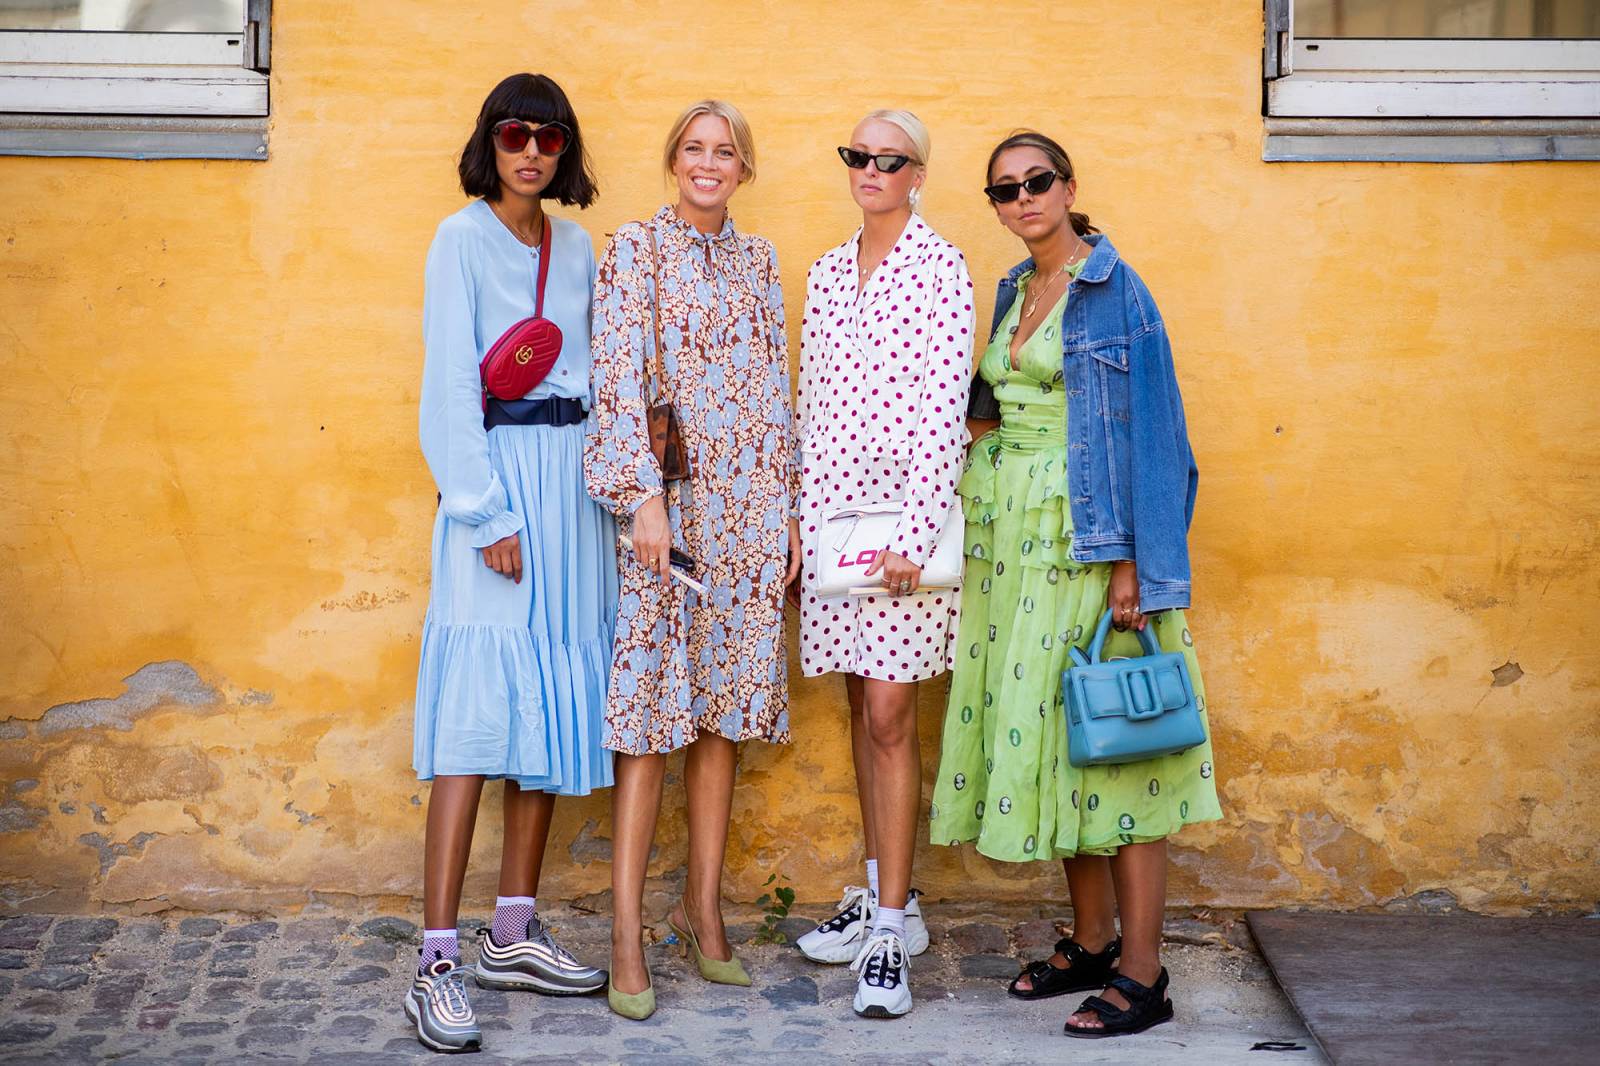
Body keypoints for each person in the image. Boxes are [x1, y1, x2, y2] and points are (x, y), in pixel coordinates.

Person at [928, 131, 1222, 1039]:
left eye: (1037, 182)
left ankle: (1144, 971)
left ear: (1067, 186)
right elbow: (988, 406)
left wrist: (1134, 565)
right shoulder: (1017, 288)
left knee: (1119, 749)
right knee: (1061, 740)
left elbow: (1156, 435)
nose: (1023, 199)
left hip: (1086, 545)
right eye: (1005, 190)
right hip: (1011, 544)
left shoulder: (1115, 291)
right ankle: (1093, 940)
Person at [407, 74, 617, 1054]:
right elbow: (450, 382)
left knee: (544, 698)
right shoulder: (460, 239)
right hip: (495, 485)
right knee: (475, 714)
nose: (529, 150)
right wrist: (483, 509)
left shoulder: (574, 245)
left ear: (564, 148)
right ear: (488, 143)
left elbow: (597, 368)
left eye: (546, 136)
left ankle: (511, 931)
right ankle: (435, 961)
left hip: (569, 489)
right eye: (512, 134)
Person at [585, 99, 798, 1021]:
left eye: (725, 152)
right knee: (649, 725)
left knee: (721, 721)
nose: (708, 164)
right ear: (674, 161)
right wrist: (643, 500)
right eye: (693, 150)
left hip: (751, 517)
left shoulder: (760, 261)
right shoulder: (635, 248)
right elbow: (615, 379)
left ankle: (702, 911)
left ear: (744, 169)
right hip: (668, 519)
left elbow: (778, 389)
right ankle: (628, 935)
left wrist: (788, 512)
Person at [790, 109, 973, 1020]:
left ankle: (893, 932)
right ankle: (879, 891)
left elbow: (946, 402)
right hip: (832, 524)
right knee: (862, 703)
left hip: (907, 530)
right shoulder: (827, 272)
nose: (869, 168)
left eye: (887, 158)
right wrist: (796, 520)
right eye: (856, 155)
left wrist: (921, 524)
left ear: (917, 174)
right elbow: (810, 400)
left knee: (894, 712)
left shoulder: (941, 268)